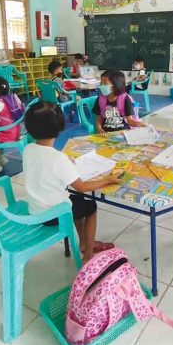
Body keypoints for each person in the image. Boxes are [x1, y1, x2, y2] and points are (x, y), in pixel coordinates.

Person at [23, 101, 120, 261]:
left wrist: (63, 162)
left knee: (78, 200)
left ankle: (83, 242)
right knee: (90, 206)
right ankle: (88, 254)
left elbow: (43, 167)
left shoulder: (28, 149)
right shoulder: (58, 159)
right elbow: (82, 187)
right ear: (59, 128)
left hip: (36, 209)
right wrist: (108, 180)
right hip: (54, 213)